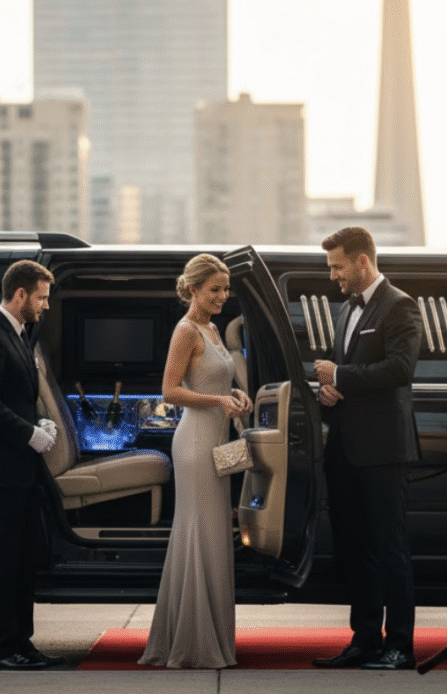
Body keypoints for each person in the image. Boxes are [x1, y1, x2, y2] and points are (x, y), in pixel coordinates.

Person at [310, 227, 423, 671]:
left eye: (338, 266)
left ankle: (400, 646)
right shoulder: (343, 311)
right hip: (344, 450)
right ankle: (364, 641)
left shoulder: (400, 305)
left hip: (382, 453)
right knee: (354, 550)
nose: (333, 275)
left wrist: (338, 377)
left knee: (390, 550)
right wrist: (326, 393)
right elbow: (345, 376)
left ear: (361, 261)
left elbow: (399, 369)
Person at [139, 254, 253, 669]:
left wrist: (235, 397)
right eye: (215, 290)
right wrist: (217, 400)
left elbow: (216, 379)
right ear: (192, 290)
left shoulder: (214, 329)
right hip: (193, 442)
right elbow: (170, 391)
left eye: (225, 289)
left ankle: (208, 638)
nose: (223, 296)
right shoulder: (185, 330)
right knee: (199, 531)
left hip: (216, 439)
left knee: (213, 532)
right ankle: (191, 641)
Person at [0, 259, 66, 671]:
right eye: (41, 298)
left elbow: (15, 396)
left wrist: (36, 420)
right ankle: (1, 650)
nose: (45, 306)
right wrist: (28, 433)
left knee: (21, 560)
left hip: (18, 467)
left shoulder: (18, 333)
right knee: (1, 561)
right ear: (19, 294)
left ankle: (22, 644)